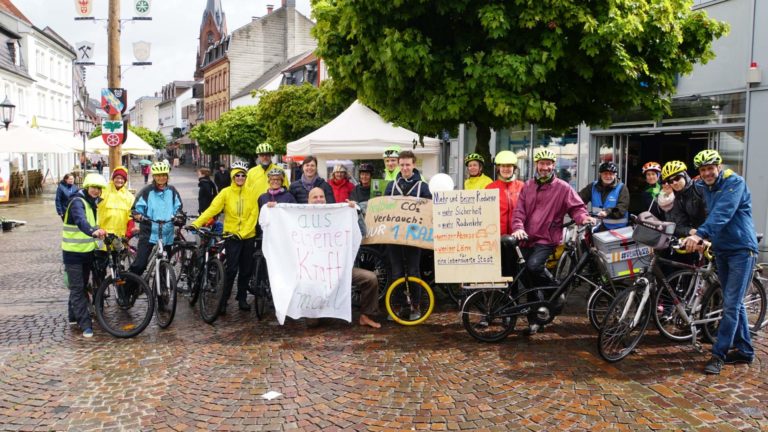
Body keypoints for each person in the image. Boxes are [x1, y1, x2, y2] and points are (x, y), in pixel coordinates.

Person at [682, 150, 759, 375]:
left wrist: (701, 235)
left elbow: (723, 213)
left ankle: (719, 354)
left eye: (710, 168)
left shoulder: (735, 182)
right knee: (733, 303)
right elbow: (695, 202)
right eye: (702, 169)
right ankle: (745, 350)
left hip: (742, 249)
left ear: (719, 166)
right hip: (722, 249)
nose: (707, 173)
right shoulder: (705, 187)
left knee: (731, 306)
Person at [511, 148, 594, 335]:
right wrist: (518, 228)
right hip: (527, 239)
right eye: (542, 164)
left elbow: (577, 208)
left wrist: (583, 218)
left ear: (553, 165)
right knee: (526, 276)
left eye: (548, 164)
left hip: (547, 238)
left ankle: (556, 290)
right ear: (536, 165)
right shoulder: (528, 186)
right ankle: (536, 319)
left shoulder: (563, 187)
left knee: (533, 266)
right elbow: (519, 212)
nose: (545, 167)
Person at [299, 187, 381, 328]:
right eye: (315, 197)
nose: (319, 200)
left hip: (340, 269)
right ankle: (319, 312)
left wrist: (355, 211)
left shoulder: (337, 214)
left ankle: (366, 316)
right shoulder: (300, 218)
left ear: (325, 198)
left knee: (370, 278)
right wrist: (275, 210)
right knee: (312, 323)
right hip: (314, 273)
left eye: (321, 196)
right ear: (308, 200)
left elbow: (362, 232)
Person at [191, 161, 258, 313]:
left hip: (248, 236)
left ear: (246, 177)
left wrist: (243, 233)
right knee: (231, 270)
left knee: (246, 269)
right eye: (237, 175)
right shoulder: (226, 192)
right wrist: (196, 223)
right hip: (232, 236)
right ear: (233, 177)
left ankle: (242, 298)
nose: (240, 178)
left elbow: (254, 216)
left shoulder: (252, 193)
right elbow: (212, 209)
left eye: (243, 175)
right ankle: (223, 301)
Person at [383, 150, 432, 320]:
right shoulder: (391, 186)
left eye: (407, 164)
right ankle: (397, 306)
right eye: (402, 164)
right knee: (396, 272)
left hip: (414, 237)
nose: (404, 168)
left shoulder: (422, 187)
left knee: (413, 271)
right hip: (394, 237)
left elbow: (428, 211)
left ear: (413, 165)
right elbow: (384, 209)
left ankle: (415, 306)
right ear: (398, 165)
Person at [61, 173, 108, 338]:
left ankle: (73, 316)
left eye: (99, 189)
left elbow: (91, 223)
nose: (97, 191)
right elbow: (81, 221)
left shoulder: (91, 203)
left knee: (79, 286)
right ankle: (85, 324)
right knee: (77, 288)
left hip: (86, 252)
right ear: (87, 187)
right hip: (73, 253)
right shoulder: (77, 202)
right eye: (94, 188)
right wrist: (93, 231)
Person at [129, 161, 183, 285]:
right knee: (140, 264)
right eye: (158, 175)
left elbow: (178, 207)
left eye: (164, 175)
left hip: (166, 234)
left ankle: (162, 293)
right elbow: (136, 208)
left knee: (164, 265)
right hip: (149, 232)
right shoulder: (147, 191)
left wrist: (179, 216)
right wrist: (138, 215)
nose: (161, 178)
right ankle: (127, 290)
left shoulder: (172, 191)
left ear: (167, 176)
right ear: (153, 176)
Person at [485, 151, 525, 276]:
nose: (506, 169)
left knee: (516, 270)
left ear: (514, 168)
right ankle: (500, 295)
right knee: (500, 271)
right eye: (503, 166)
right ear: (498, 168)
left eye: (509, 166)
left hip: (518, 237)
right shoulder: (490, 188)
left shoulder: (523, 187)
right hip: (496, 238)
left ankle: (514, 294)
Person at [656, 160, 706, 238]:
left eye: (677, 178)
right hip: (696, 238)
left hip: (712, 235)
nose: (674, 183)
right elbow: (677, 225)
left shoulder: (700, 188)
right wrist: (689, 231)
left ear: (685, 175)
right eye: (670, 181)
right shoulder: (677, 198)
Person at [578, 161, 629, 230]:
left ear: (615, 175)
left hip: (617, 229)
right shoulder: (593, 186)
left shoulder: (622, 188)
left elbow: (622, 207)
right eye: (605, 173)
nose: (608, 176)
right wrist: (581, 214)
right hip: (597, 227)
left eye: (611, 174)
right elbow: (579, 200)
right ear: (600, 174)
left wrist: (607, 212)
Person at [98, 166, 135, 237]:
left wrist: (129, 232)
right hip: (104, 233)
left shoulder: (129, 197)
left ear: (125, 181)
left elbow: (131, 217)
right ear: (113, 179)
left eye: (122, 178)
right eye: (117, 178)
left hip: (121, 234)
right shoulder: (103, 192)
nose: (119, 180)